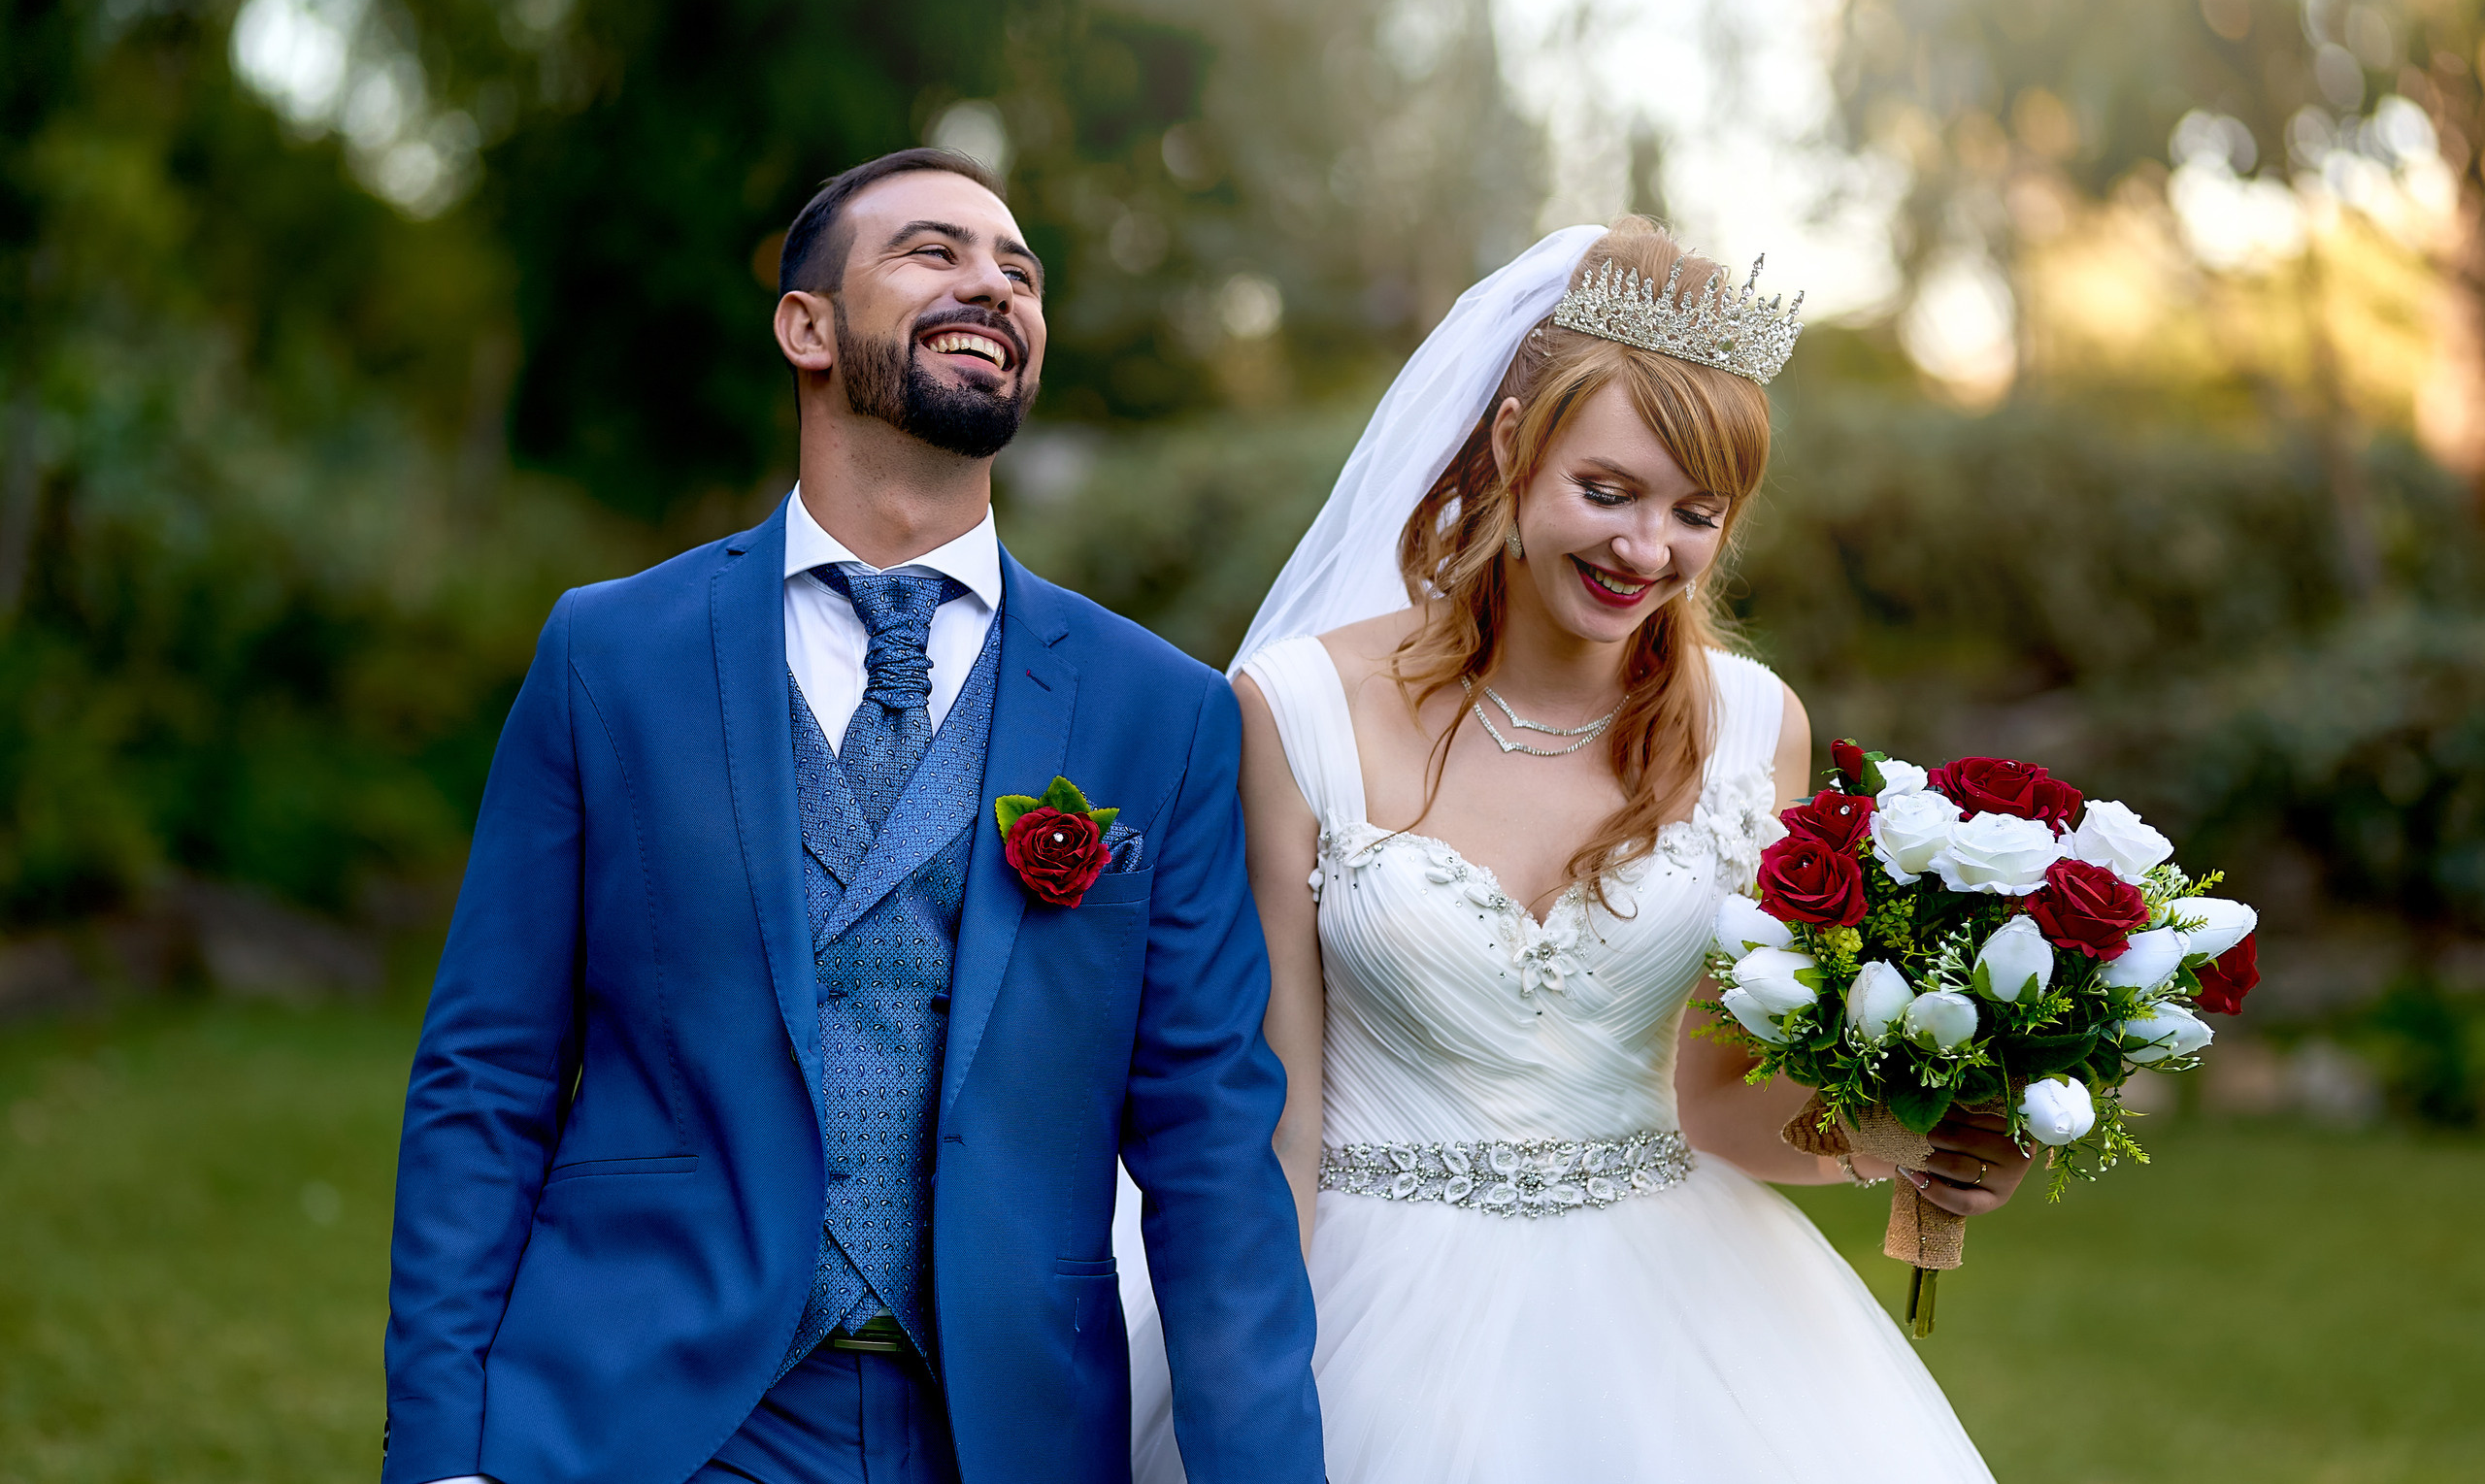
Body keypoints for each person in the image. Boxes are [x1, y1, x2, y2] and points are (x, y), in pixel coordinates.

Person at [382, 148, 1322, 1484]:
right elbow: (488, 1081)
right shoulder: (611, 656)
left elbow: (1210, 1147)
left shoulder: (1156, 714)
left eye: (1020, 271)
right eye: (934, 252)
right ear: (806, 325)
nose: (991, 284)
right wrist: (436, 1453)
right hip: (642, 1422)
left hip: (1003, 1434)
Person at [1119, 219, 2024, 1482]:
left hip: (1690, 1320)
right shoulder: (1298, 708)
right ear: (1509, 449)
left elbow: (1719, 1104)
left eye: (1695, 514)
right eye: (1608, 492)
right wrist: (1254, 1397)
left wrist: (1894, 1141)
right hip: (1364, 1311)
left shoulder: (1755, 728)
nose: (1647, 550)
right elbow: (1276, 1118)